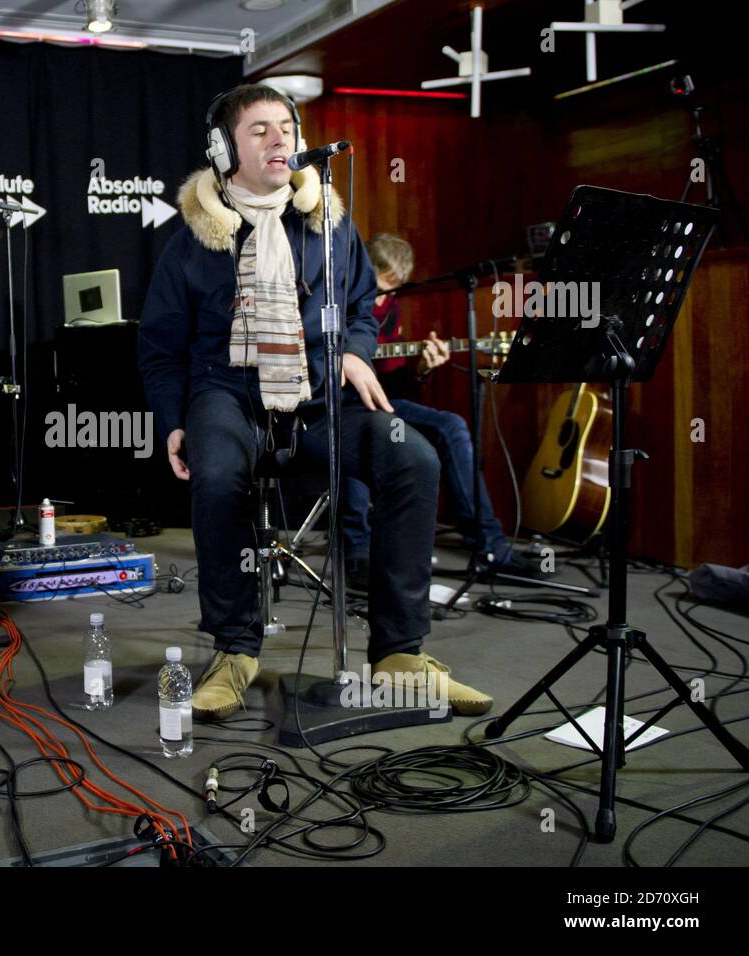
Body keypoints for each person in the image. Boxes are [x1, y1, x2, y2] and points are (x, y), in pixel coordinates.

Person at [138, 84, 493, 719]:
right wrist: (171, 420)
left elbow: (361, 306)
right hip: (227, 392)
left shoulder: (330, 226)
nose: (279, 140)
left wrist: (357, 346)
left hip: (318, 395)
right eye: (259, 130)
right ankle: (234, 650)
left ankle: (399, 657)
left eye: (286, 127)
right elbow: (161, 345)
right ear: (224, 150)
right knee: (218, 472)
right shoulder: (192, 241)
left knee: (413, 457)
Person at [343, 233, 545, 588]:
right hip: (338, 405)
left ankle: (490, 545)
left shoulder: (391, 309)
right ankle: (356, 550)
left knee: (451, 425)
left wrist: (420, 367)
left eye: (393, 291)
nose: (384, 298)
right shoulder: (340, 298)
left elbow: (394, 385)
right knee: (360, 432)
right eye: (378, 288)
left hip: (381, 402)